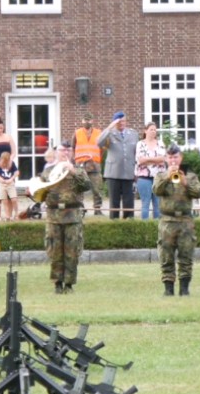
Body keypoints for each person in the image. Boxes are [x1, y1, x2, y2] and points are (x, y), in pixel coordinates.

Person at [152, 144, 200, 296]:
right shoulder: (161, 175)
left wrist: (184, 182)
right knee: (166, 255)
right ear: (166, 159)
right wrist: (168, 177)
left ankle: (184, 289)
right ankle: (168, 289)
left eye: (176, 157)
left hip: (185, 220)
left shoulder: (190, 176)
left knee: (186, 255)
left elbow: (199, 192)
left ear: (180, 158)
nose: (173, 160)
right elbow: (156, 190)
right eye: (170, 157)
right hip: (167, 221)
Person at [38, 142, 91, 293]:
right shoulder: (48, 171)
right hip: (54, 216)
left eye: (68, 150)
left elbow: (87, 186)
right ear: (56, 153)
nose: (65, 153)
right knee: (55, 251)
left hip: (72, 216)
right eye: (62, 150)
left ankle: (69, 284)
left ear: (72, 153)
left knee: (72, 251)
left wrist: (73, 171)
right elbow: (39, 192)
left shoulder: (78, 171)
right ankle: (57, 283)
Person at [97, 111, 137, 219]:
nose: (122, 123)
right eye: (119, 122)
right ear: (114, 123)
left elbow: (136, 153)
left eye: (123, 121)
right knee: (114, 201)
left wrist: (136, 171)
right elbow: (99, 142)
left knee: (128, 200)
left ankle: (128, 221)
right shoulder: (110, 133)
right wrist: (109, 128)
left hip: (128, 171)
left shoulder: (133, 134)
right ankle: (114, 222)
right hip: (113, 172)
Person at [72, 112, 105, 215]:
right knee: (79, 188)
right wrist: (76, 160)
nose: (87, 121)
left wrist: (97, 158)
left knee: (97, 189)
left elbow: (102, 149)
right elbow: (73, 147)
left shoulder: (99, 133)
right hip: (81, 166)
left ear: (92, 121)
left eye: (89, 120)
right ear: (82, 121)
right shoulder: (77, 133)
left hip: (94, 166)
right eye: (85, 120)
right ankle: (80, 208)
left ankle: (97, 209)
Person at [135, 122, 167, 220]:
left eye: (154, 129)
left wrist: (148, 159)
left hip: (158, 178)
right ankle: (145, 228)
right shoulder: (140, 144)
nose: (153, 131)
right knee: (145, 204)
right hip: (144, 178)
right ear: (145, 131)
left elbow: (162, 159)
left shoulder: (160, 143)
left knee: (157, 204)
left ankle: (157, 227)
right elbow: (140, 160)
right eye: (151, 129)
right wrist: (155, 159)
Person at [0, 148, 19, 221]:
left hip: (10, 183)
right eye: (3, 162)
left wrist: (11, 178)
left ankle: (16, 213)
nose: (4, 164)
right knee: (4, 201)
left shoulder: (12, 164)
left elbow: (17, 172)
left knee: (14, 199)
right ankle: (7, 216)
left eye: (6, 163)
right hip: (2, 184)